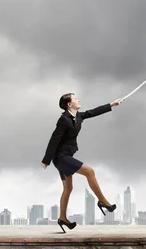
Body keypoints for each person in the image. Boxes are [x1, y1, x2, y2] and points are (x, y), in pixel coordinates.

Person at [41, 92, 124, 232]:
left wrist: (111, 104)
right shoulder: (64, 120)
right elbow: (54, 139)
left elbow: (93, 112)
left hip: (67, 155)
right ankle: (103, 201)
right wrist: (46, 160)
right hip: (61, 157)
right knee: (90, 172)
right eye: (75, 99)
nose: (78, 100)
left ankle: (62, 218)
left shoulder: (78, 116)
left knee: (68, 189)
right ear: (69, 104)